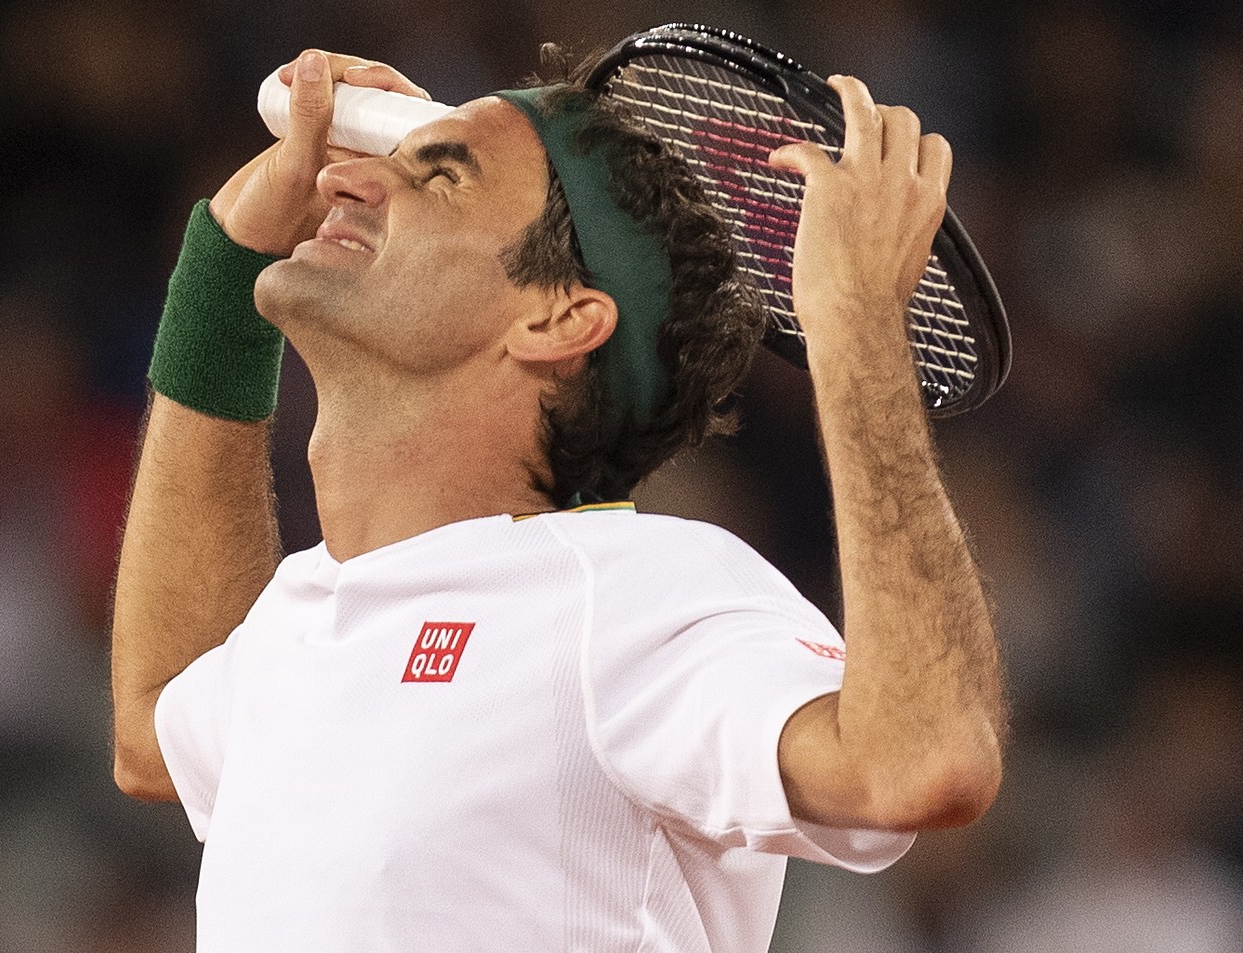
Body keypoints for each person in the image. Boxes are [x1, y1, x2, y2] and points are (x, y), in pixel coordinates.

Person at [109, 45, 1005, 953]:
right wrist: (220, 274)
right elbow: (155, 730)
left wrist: (857, 328)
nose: (349, 183)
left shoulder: (630, 590)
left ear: (557, 318)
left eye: (441, 179)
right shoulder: (302, 611)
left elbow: (920, 761)